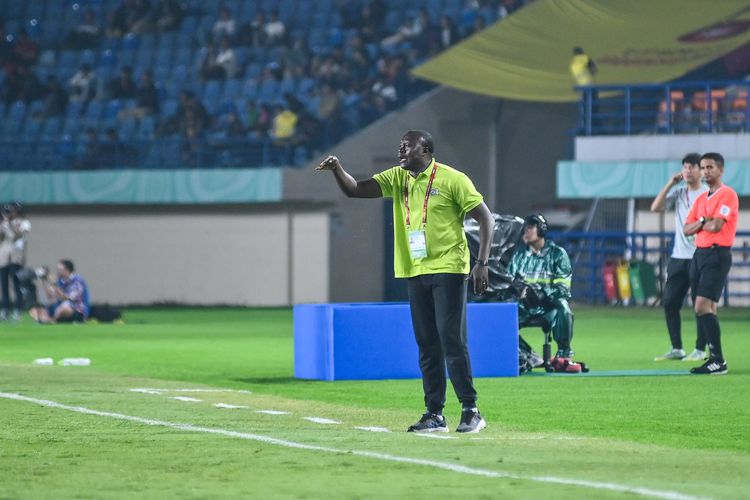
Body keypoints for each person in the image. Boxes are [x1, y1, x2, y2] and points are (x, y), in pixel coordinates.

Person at [316, 130, 494, 433]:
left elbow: (486, 219)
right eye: (399, 145)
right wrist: (337, 170)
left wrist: (482, 263)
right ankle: (434, 414)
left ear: (425, 150)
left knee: (451, 339)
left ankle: (471, 409)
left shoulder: (453, 179)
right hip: (414, 268)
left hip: (449, 267)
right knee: (427, 344)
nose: (400, 149)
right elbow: (356, 189)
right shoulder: (398, 178)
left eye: (407, 146)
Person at [684, 152, 738, 375]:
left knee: (701, 306)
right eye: (703, 168)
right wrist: (705, 220)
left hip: (717, 254)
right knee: (708, 308)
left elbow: (716, 227)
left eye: (710, 168)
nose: (706, 171)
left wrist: (701, 222)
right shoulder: (701, 199)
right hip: (700, 254)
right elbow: (686, 230)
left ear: (720, 170)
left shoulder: (728, 195)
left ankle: (718, 360)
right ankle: (715, 358)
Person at [651, 154, 708, 361]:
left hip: (699, 254)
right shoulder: (679, 192)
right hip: (678, 256)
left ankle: (701, 348)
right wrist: (670, 183)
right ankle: (677, 348)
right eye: (684, 167)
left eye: (692, 167)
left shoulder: (707, 193)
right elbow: (655, 207)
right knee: (669, 301)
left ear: (701, 170)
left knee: (699, 304)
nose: (687, 170)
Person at [507, 214, 575, 364]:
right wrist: (518, 289)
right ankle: (528, 355)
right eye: (525, 228)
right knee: (501, 317)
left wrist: (543, 294)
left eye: (530, 227)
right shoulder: (519, 255)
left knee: (564, 308)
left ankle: (564, 355)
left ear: (542, 230)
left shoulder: (557, 254)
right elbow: (508, 281)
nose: (526, 231)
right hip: (525, 305)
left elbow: (563, 286)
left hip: (548, 306)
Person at [29, 260, 90, 324]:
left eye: (60, 269)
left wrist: (53, 283)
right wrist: (44, 281)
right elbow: (49, 296)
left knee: (63, 308)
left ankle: (52, 321)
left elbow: (65, 297)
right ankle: (47, 320)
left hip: (76, 310)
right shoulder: (60, 281)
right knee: (34, 311)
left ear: (67, 270)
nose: (58, 271)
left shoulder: (78, 281)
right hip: (58, 307)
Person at [0, 202, 31, 322]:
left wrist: (9, 225)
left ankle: (17, 311)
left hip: (16, 257)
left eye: (12, 210)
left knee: (16, 285)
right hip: (3, 256)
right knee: (4, 285)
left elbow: (18, 236)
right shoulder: (5, 223)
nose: (9, 213)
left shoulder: (24, 223)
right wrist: (3, 225)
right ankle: (5, 310)